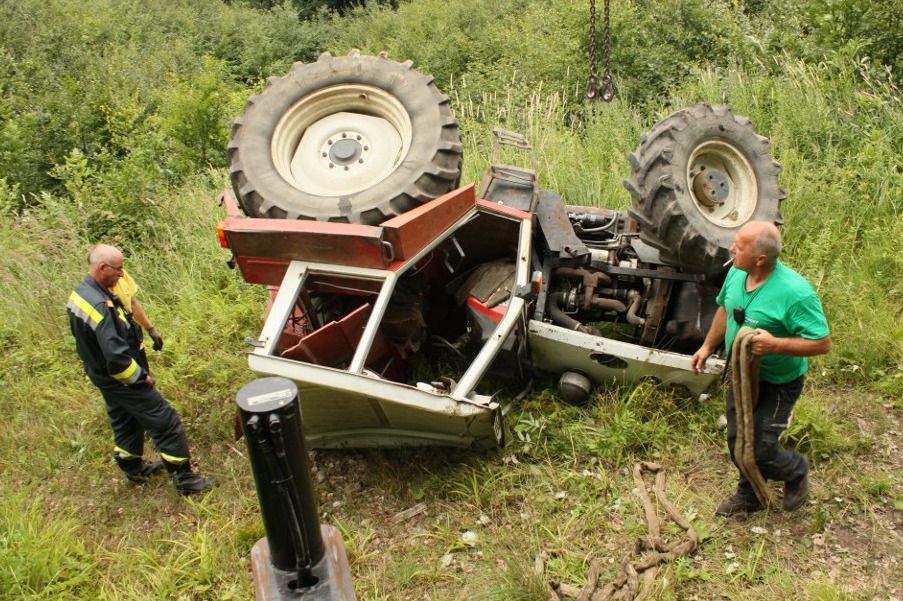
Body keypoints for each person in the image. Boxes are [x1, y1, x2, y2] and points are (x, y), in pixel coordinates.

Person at [691, 221, 830, 516]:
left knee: (760, 449)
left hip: (778, 382)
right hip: (741, 375)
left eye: (739, 247)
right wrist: (707, 347)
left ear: (760, 259)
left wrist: (774, 344)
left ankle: (796, 470)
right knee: (738, 442)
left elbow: (822, 343)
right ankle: (750, 495)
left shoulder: (796, 293)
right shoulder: (736, 272)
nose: (731, 249)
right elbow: (725, 308)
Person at [67, 244, 214, 495]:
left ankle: (133, 467)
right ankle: (185, 480)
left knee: (125, 418)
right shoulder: (101, 305)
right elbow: (116, 358)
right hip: (120, 378)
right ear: (102, 268)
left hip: (101, 374)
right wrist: (139, 378)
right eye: (118, 269)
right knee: (165, 420)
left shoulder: (80, 294)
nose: (121, 274)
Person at [111, 268, 164, 353]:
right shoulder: (95, 291)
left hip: (135, 343)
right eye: (116, 268)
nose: (121, 273)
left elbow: (133, 304)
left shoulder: (122, 275)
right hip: (118, 350)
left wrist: (151, 329)